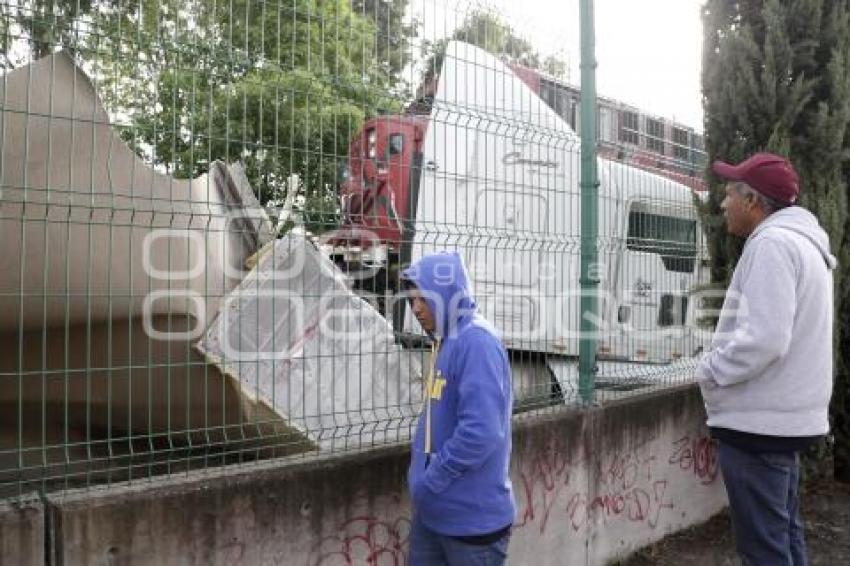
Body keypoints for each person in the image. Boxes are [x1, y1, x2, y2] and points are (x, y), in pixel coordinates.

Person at [697, 152, 836, 565]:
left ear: (753, 201)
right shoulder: (803, 245)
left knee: (763, 550)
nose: (723, 204)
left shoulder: (772, 245)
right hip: (785, 419)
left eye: (728, 195)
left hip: (759, 424)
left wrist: (711, 371)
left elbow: (765, 339)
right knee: (784, 537)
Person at [400, 251, 516, 566]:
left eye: (423, 298)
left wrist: (432, 479)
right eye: (412, 301)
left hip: (471, 524)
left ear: (446, 292)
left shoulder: (475, 342)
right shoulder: (447, 340)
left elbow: (481, 432)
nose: (416, 308)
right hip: (434, 514)